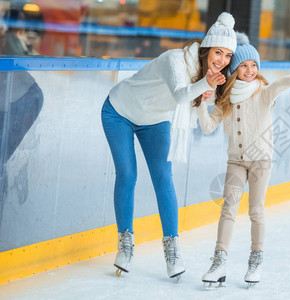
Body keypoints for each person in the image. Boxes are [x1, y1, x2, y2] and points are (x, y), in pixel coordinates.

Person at [101, 12, 236, 279]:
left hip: (155, 120)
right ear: (207, 48)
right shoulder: (176, 59)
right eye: (218, 53)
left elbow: (201, 115)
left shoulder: (205, 76)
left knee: (163, 178)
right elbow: (179, 94)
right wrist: (204, 85)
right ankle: (125, 246)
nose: (222, 61)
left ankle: (172, 251)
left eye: (228, 56)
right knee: (128, 174)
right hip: (119, 111)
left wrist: (209, 96)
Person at [196, 32, 290, 287]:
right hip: (236, 161)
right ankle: (219, 261)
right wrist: (200, 104)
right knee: (228, 209)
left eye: (254, 65)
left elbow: (278, 86)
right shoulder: (225, 99)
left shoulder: (263, 92)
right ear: (235, 68)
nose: (250, 70)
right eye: (243, 65)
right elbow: (207, 127)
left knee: (255, 210)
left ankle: (256, 259)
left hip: (261, 161)